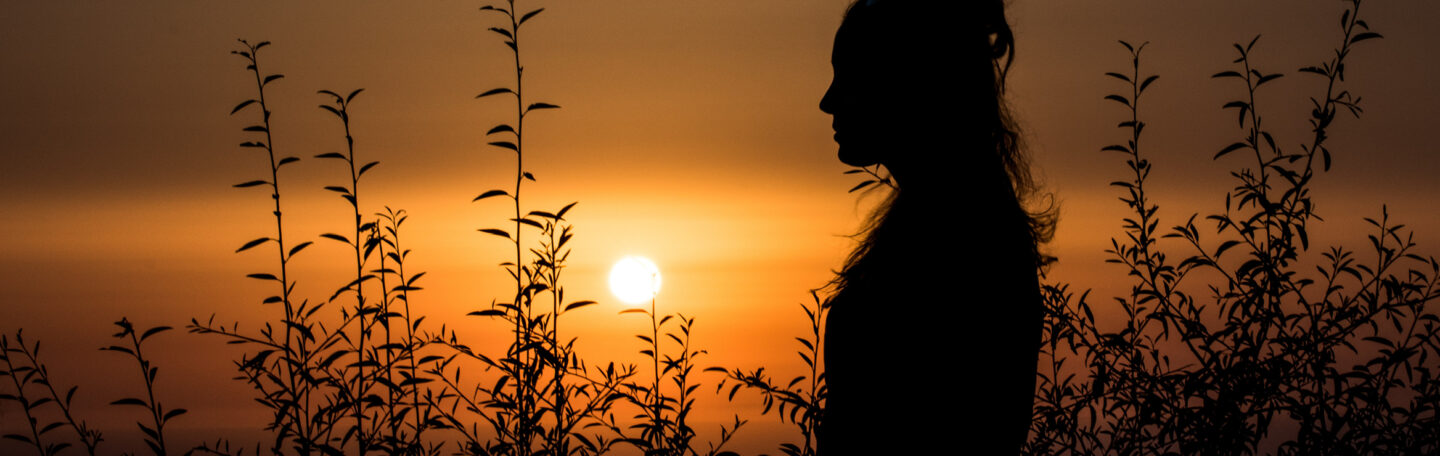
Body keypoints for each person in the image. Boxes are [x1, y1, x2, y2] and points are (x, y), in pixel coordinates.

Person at [816, 0, 1054, 454]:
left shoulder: (963, 241)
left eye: (848, 75)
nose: (828, 100)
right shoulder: (955, 222)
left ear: (906, 83)